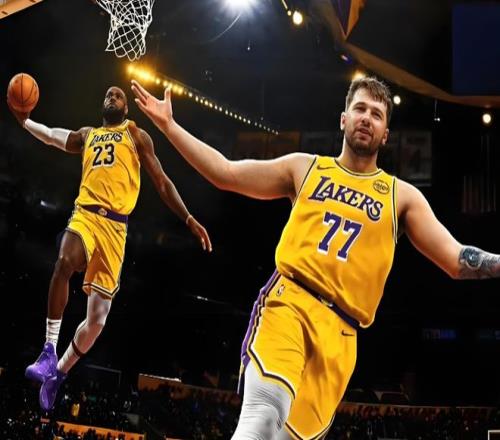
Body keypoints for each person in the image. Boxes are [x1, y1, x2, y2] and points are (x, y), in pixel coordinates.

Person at [131, 77, 500, 439]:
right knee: (262, 418)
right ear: (343, 119)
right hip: (290, 303)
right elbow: (225, 172)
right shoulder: (305, 167)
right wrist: (169, 126)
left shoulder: (401, 196)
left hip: (342, 335)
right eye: (360, 109)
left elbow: (456, 259)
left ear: (386, 134)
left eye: (376, 114)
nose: (366, 118)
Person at [8, 86, 212, 412]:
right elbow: (52, 136)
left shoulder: (136, 135)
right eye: (107, 95)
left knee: (96, 322)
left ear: (126, 108)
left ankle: (59, 372)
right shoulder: (88, 134)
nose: (111, 97)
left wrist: (187, 218)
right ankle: (48, 351)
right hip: (86, 215)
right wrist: (25, 122)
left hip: (116, 229)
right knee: (63, 263)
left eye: (117, 95)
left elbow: (162, 181)